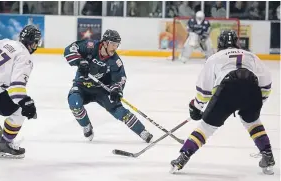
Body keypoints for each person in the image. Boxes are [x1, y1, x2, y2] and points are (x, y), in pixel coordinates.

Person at [171, 30, 275, 175]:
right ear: (237, 43)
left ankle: (183, 157)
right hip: (251, 87)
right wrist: (258, 101)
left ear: (219, 43)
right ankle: (267, 155)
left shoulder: (215, 58)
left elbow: (204, 90)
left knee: (206, 127)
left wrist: (196, 106)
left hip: (228, 87)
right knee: (253, 122)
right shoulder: (252, 56)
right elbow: (266, 82)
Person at [64, 29, 153, 143]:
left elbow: (120, 78)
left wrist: (116, 90)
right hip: (82, 86)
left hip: (102, 90)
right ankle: (86, 126)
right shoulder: (90, 46)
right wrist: (80, 61)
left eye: (117, 45)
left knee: (119, 111)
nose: (115, 48)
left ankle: (142, 131)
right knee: (74, 103)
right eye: (113, 44)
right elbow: (69, 49)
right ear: (105, 43)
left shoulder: (115, 61)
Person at [0, 25, 41, 159]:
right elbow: (16, 87)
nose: (36, 46)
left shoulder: (6, 42)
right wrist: (26, 103)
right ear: (32, 42)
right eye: (36, 42)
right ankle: (5, 145)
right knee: (18, 112)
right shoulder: (25, 57)